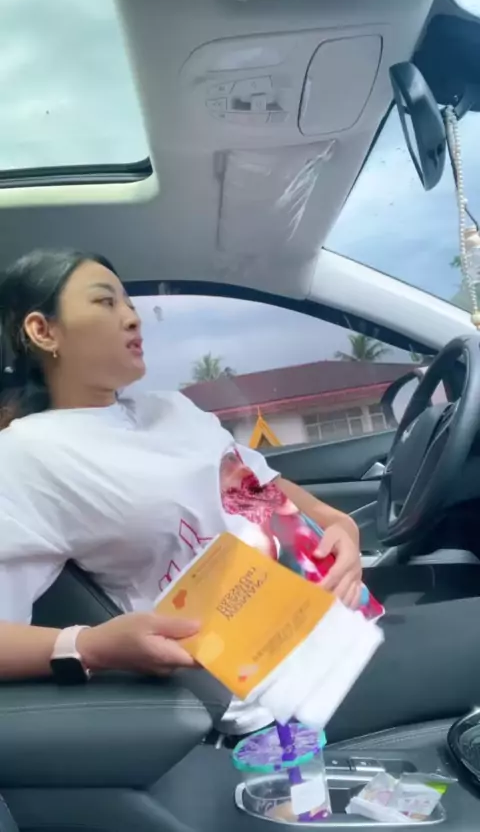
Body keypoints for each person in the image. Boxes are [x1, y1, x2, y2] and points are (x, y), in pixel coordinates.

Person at [0, 248, 361, 732]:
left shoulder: (173, 409)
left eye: (130, 303)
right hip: (271, 695)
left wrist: (342, 526)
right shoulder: (25, 454)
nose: (132, 317)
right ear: (43, 331)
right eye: (106, 302)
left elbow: (263, 490)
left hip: (338, 624)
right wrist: (91, 646)